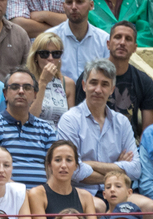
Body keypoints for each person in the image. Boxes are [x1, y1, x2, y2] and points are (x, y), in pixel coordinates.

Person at [56, 59, 141, 195]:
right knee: (98, 206)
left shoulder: (122, 122)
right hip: (82, 193)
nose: (98, 90)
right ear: (84, 85)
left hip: (117, 194)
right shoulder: (70, 119)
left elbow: (135, 169)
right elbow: (73, 170)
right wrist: (115, 174)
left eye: (105, 84)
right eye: (93, 83)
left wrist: (90, 163)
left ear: (112, 90)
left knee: (149, 206)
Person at [73, 20, 153, 143]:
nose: (122, 42)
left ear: (135, 48)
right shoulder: (90, 76)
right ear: (108, 44)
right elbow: (78, 117)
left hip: (127, 145)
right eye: (117, 37)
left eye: (128, 39)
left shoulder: (144, 81)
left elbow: (148, 131)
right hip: (91, 141)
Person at [0, 68, 58, 189]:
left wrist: (40, 197)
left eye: (27, 87)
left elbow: (53, 170)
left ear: (35, 95)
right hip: (6, 196)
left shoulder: (47, 130)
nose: (21, 91)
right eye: (15, 87)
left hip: (42, 199)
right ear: (5, 94)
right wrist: (23, 195)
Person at [27, 139, 98, 219]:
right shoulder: (37, 194)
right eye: (58, 160)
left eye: (69, 160)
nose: (63, 165)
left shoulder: (85, 196)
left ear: (76, 166)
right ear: (49, 165)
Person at [49, 0, 108, 82]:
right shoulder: (50, 38)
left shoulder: (104, 40)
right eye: (69, 2)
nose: (74, 7)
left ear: (91, 5)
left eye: (79, 2)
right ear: (63, 6)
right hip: (60, 96)